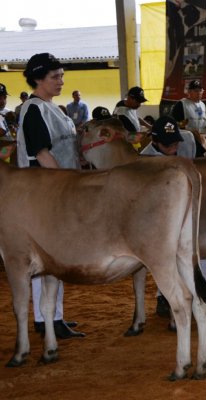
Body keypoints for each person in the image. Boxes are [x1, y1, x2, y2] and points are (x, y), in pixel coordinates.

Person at [16, 53, 87, 339]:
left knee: (55, 257)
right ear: (37, 79)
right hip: (44, 192)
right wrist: (66, 183)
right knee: (44, 258)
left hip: (58, 190)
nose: (61, 81)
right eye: (54, 77)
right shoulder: (33, 110)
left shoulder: (53, 108)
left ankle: (54, 317)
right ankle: (45, 319)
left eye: (61, 76)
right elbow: (42, 154)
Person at [170, 79, 206, 157]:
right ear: (189, 92)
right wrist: (186, 129)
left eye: (200, 90)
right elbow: (172, 125)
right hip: (186, 140)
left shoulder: (202, 105)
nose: (199, 93)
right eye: (196, 91)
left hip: (201, 139)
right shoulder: (181, 104)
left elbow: (203, 121)